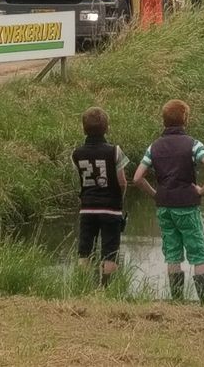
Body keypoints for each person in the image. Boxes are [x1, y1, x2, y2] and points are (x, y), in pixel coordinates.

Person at [132, 99, 204, 303]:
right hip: (187, 205)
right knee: (198, 252)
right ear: (185, 119)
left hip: (164, 206)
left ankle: (177, 300)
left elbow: (137, 178)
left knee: (172, 253)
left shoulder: (153, 147)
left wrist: (155, 194)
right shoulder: (194, 145)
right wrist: (203, 191)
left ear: (164, 121)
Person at [72, 106, 130, 287]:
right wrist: (120, 200)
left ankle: (83, 286)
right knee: (110, 251)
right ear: (107, 128)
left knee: (85, 250)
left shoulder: (76, 153)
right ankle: (105, 288)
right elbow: (122, 182)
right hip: (111, 208)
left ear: (83, 129)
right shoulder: (115, 151)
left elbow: (80, 179)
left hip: (87, 207)